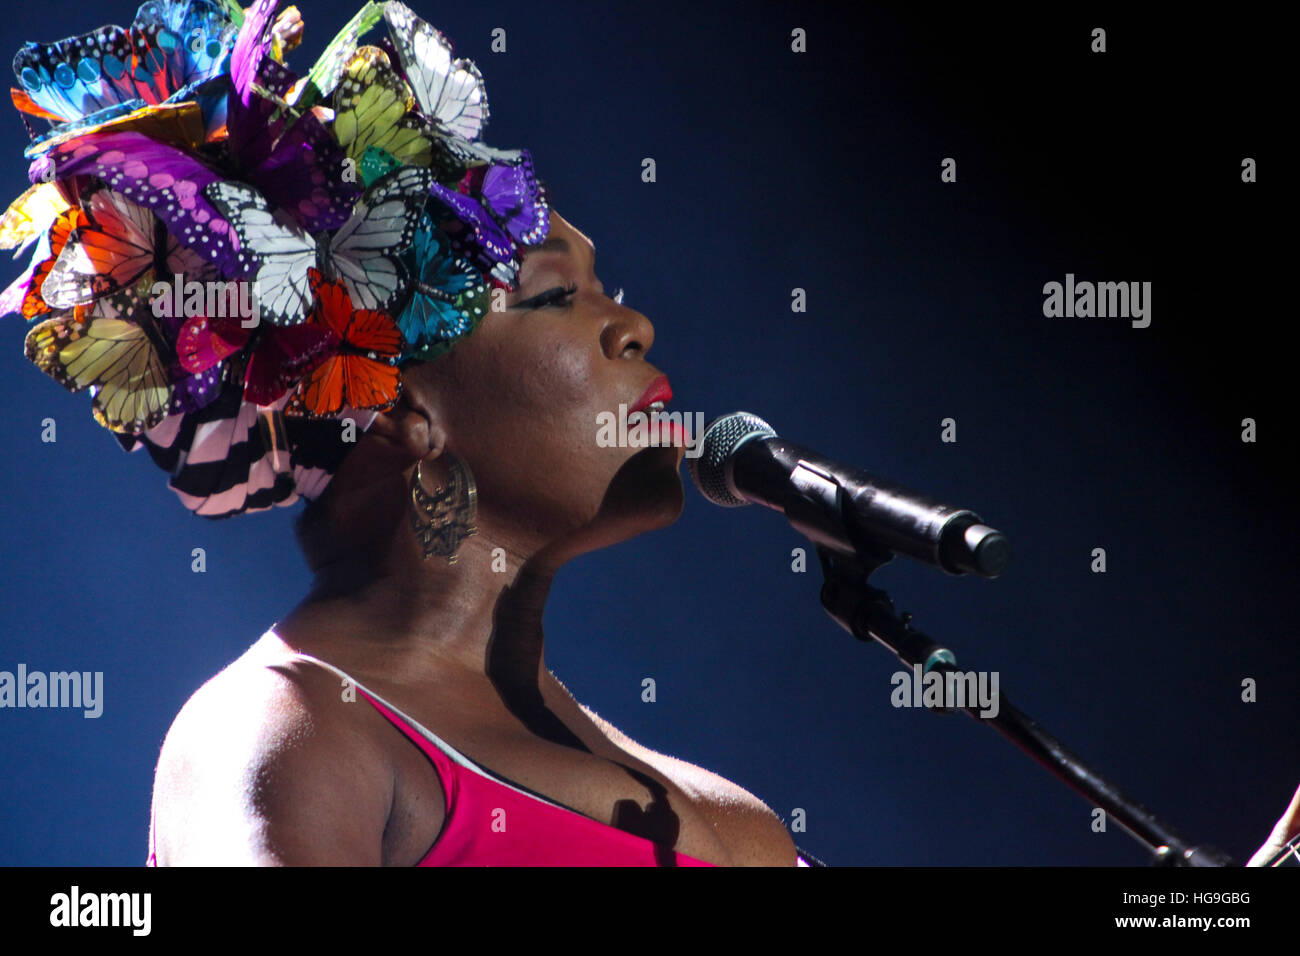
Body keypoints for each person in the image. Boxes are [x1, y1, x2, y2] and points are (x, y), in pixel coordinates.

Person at [146, 210, 810, 866]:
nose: (635, 327)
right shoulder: (281, 723)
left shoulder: (731, 809)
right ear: (400, 408)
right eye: (552, 295)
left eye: (612, 292)